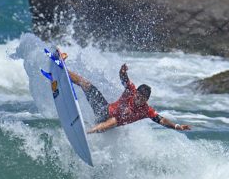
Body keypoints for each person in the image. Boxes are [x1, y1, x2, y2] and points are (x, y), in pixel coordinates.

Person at [60, 52, 191, 134]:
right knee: (86, 84)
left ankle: (86, 133)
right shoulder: (131, 90)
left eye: (143, 99)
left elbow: (161, 120)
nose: (139, 100)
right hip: (103, 109)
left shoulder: (146, 110)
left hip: (108, 124)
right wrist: (123, 71)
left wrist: (177, 126)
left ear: (146, 100)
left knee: (114, 121)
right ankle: (62, 68)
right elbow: (124, 79)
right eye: (139, 96)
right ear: (136, 93)